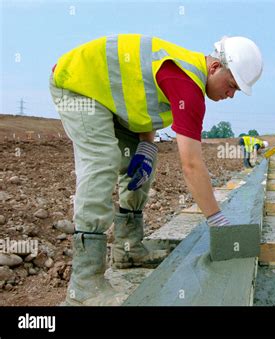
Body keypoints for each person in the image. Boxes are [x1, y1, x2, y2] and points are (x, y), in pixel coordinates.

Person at [49, 34, 263, 305]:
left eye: (236, 92)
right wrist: (217, 220)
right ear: (215, 67)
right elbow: (192, 164)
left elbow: (138, 97)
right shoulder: (187, 83)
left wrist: (147, 145)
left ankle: (129, 248)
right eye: (231, 85)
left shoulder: (187, 76)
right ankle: (85, 284)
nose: (230, 95)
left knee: (140, 163)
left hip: (107, 99)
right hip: (78, 84)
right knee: (103, 160)